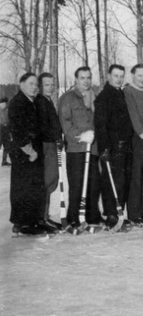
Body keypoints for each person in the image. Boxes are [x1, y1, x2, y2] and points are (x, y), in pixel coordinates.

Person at [58, 66, 104, 228]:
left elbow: (100, 122)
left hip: (94, 148)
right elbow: (66, 123)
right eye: (82, 78)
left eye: (88, 77)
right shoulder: (68, 98)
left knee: (94, 183)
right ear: (76, 80)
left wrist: (96, 136)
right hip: (77, 149)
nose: (86, 81)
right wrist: (81, 136)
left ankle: (92, 216)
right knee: (77, 184)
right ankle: (74, 216)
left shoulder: (95, 98)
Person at [9, 73, 52, 235]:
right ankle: (24, 223)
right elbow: (18, 130)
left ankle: (33, 221)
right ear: (21, 85)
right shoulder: (18, 103)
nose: (34, 87)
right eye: (31, 84)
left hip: (34, 150)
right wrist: (30, 151)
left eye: (36, 84)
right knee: (24, 187)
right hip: (24, 153)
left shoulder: (30, 102)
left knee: (35, 187)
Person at [94, 64, 134, 230]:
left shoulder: (120, 94)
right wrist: (105, 148)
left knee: (122, 182)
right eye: (115, 75)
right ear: (109, 76)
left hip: (124, 145)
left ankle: (119, 214)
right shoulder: (105, 97)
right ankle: (111, 216)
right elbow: (101, 125)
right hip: (112, 147)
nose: (118, 79)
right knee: (112, 183)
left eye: (121, 76)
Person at [123, 64, 143, 226]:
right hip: (137, 137)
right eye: (139, 75)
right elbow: (134, 116)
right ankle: (134, 213)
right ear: (132, 75)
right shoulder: (128, 91)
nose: (142, 78)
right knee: (136, 176)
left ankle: (142, 211)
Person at [34, 73, 63, 229]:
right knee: (47, 181)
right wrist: (56, 138)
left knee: (51, 180)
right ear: (40, 86)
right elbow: (44, 127)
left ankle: (44, 216)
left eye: (52, 84)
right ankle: (41, 218)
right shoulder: (40, 102)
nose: (50, 87)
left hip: (52, 145)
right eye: (47, 85)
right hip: (47, 145)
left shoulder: (48, 101)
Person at [0, 97, 10, 166]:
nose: (3, 105)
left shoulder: (7, 111)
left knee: (7, 145)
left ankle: (4, 161)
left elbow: (10, 120)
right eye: (2, 104)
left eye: (5, 104)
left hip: (6, 129)